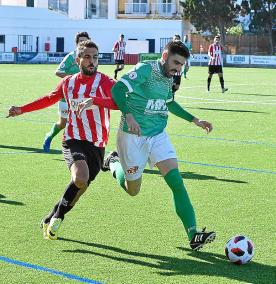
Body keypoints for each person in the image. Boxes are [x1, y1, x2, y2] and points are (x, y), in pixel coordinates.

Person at [79, 40, 216, 251]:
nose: (178, 68)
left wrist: (195, 120)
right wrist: (129, 115)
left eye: (181, 65)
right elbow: (118, 90)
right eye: (175, 62)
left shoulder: (168, 78)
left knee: (176, 181)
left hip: (158, 135)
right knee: (133, 190)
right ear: (164, 56)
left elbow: (168, 102)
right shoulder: (146, 70)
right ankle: (114, 163)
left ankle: (193, 234)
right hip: (132, 137)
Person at [7, 40, 118, 240]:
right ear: (78, 60)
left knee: (80, 186)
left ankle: (50, 216)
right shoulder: (68, 83)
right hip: (73, 139)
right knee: (80, 178)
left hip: (97, 143)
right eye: (87, 57)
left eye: (95, 57)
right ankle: (57, 219)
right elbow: (49, 98)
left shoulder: (104, 82)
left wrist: (97, 101)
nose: (92, 61)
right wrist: (21, 109)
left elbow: (121, 101)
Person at [43, 31, 90, 153]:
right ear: (77, 43)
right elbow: (58, 72)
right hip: (66, 97)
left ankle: (79, 148)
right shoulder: (71, 57)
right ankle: (49, 136)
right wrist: (73, 77)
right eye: (80, 41)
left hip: (83, 97)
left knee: (82, 122)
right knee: (63, 123)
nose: (83, 43)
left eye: (85, 41)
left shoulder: (90, 57)